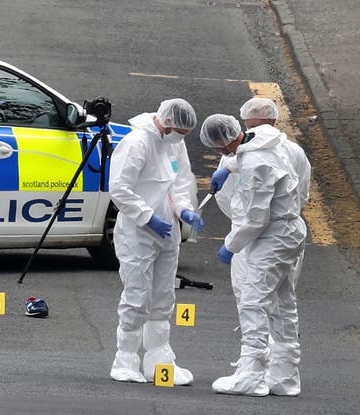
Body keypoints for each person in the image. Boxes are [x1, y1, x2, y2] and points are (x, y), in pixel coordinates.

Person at [200, 111, 307, 396]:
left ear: (221, 146)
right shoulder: (263, 144)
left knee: (253, 302)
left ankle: (250, 375)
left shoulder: (254, 164)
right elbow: (251, 158)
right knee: (283, 304)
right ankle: (285, 377)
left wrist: (230, 246)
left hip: (273, 236)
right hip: (288, 232)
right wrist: (230, 168)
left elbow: (255, 219)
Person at [108, 98, 203, 385]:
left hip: (168, 230)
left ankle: (159, 358)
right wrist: (147, 217)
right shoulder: (137, 143)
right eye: (180, 132)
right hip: (139, 232)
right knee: (138, 295)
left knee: (163, 296)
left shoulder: (175, 142)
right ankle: (125, 358)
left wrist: (184, 209)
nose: (181, 138)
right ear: (167, 122)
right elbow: (119, 189)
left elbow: (181, 182)